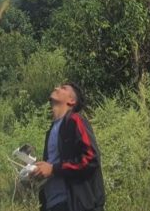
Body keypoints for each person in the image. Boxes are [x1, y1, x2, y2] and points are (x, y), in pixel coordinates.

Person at [32, 82, 105, 211]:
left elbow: (91, 158)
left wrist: (53, 169)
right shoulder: (51, 131)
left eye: (63, 88)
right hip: (52, 204)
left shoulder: (75, 120)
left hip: (77, 204)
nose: (56, 88)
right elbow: (52, 167)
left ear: (71, 101)